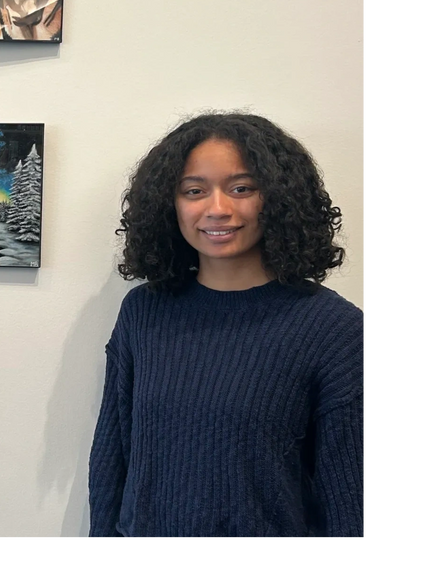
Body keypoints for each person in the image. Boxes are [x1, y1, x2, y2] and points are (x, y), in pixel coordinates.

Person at [88, 113, 365, 540]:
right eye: (194, 191)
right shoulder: (143, 312)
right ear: (169, 204)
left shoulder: (335, 330)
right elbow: (111, 463)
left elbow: (350, 504)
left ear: (277, 198)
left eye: (241, 188)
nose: (218, 209)